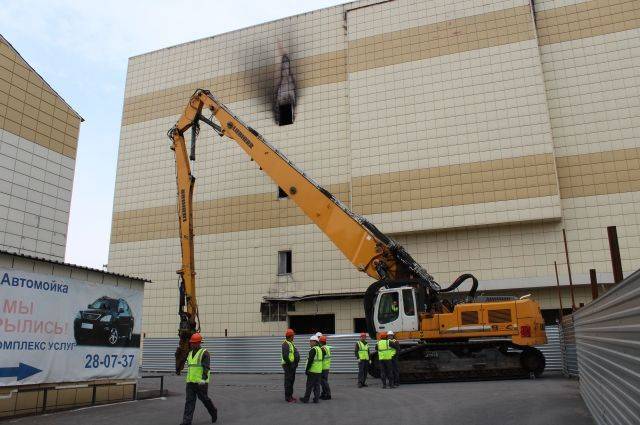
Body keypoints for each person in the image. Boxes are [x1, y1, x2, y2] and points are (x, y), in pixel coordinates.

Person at [180, 333, 218, 425]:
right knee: (189, 402)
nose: (192, 344)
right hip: (190, 382)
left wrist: (203, 379)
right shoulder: (189, 353)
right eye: (191, 343)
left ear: (199, 343)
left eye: (194, 343)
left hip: (201, 383)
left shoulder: (204, 353)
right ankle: (186, 421)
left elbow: (206, 367)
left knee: (204, 400)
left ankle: (213, 411)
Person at [300, 335, 323, 403]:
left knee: (309, 386)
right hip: (318, 371)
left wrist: (307, 370)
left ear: (315, 342)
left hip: (312, 371)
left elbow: (310, 361)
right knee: (317, 385)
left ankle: (306, 399)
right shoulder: (320, 349)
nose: (310, 343)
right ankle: (316, 399)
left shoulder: (313, 350)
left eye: (311, 341)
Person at [281, 328, 300, 403]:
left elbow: (294, 354)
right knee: (288, 381)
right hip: (288, 365)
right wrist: (291, 364)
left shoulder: (291, 343)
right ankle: (288, 398)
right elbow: (285, 356)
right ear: (290, 336)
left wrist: (296, 363)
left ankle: (290, 396)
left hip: (292, 365)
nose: (294, 337)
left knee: (291, 381)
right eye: (293, 335)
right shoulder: (285, 344)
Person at [319, 335, 331, 400]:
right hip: (326, 366)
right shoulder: (327, 347)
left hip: (323, 367)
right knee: (324, 381)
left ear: (321, 342)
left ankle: (328, 394)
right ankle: (324, 393)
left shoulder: (323, 349)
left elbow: (321, 358)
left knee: (324, 381)